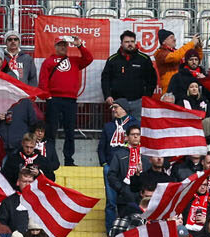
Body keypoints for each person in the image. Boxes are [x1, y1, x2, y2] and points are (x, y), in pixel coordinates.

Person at [40, 37, 93, 169]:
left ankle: (69, 159)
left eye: (64, 45)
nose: (63, 47)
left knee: (69, 131)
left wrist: (80, 46)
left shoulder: (74, 60)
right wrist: (48, 97)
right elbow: (43, 81)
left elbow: (88, 59)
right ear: (55, 46)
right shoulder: (48, 62)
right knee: (51, 131)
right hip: (54, 100)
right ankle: (50, 159)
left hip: (70, 100)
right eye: (60, 45)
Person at [101, 31, 157, 124]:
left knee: (137, 131)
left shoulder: (144, 59)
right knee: (119, 129)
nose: (130, 44)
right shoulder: (113, 60)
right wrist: (107, 95)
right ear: (121, 43)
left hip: (138, 102)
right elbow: (105, 79)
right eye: (127, 42)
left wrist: (146, 96)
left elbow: (152, 79)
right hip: (118, 101)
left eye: (132, 41)